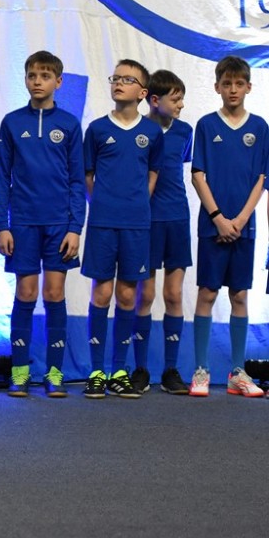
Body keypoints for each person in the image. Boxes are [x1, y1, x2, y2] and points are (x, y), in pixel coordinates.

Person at [0, 50, 83, 398]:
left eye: (45, 76)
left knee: (54, 293)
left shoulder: (70, 125)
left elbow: (77, 180)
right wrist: (2, 225)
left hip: (60, 225)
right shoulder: (12, 122)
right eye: (32, 75)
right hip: (23, 223)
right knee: (26, 293)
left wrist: (75, 227)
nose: (37, 81)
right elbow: (2, 177)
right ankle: (19, 372)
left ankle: (55, 374)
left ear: (58, 82)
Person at [81, 60, 163, 399]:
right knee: (101, 293)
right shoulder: (97, 129)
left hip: (136, 224)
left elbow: (153, 173)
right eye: (115, 78)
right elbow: (87, 175)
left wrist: (138, 203)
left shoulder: (152, 133)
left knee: (128, 295)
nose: (118, 83)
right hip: (103, 223)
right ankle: (96, 372)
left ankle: (119, 370)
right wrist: (101, 203)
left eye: (127, 80)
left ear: (142, 93)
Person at [189, 55, 268, 398]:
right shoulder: (207, 125)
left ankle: (238, 372)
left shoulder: (260, 127)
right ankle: (201, 370)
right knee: (207, 293)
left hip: (244, 227)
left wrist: (240, 219)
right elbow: (198, 175)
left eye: (238, 84)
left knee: (239, 295)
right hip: (213, 226)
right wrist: (219, 218)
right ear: (216, 87)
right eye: (226, 84)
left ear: (248, 87)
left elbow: (262, 178)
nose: (232, 89)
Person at [131, 70, 192, 395]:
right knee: (145, 295)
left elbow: (181, 167)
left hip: (177, 219)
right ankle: (140, 369)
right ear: (154, 100)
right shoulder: (139, 130)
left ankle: (170, 370)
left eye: (182, 99)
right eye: (176, 99)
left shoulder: (185, 131)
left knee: (173, 295)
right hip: (148, 221)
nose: (181, 105)